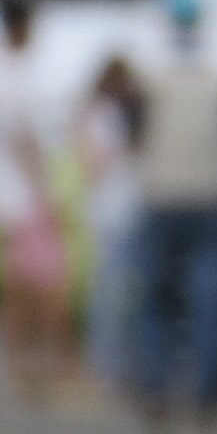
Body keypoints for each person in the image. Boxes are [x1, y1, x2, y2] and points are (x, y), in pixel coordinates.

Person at [131, 0, 217, 425]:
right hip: (214, 197)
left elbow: (139, 139)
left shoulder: (154, 81)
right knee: (212, 298)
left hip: (163, 196)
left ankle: (156, 388)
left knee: (157, 299)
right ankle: (209, 392)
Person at [0, 0, 81, 399]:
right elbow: (22, 138)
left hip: (2, 189)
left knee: (18, 284)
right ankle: (47, 364)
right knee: (44, 281)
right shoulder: (9, 72)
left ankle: (22, 366)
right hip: (22, 191)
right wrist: (46, 189)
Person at [76, 56, 150, 394]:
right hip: (113, 211)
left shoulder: (115, 116)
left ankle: (117, 361)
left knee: (121, 290)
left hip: (127, 209)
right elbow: (92, 165)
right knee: (112, 291)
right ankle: (107, 361)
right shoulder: (101, 117)